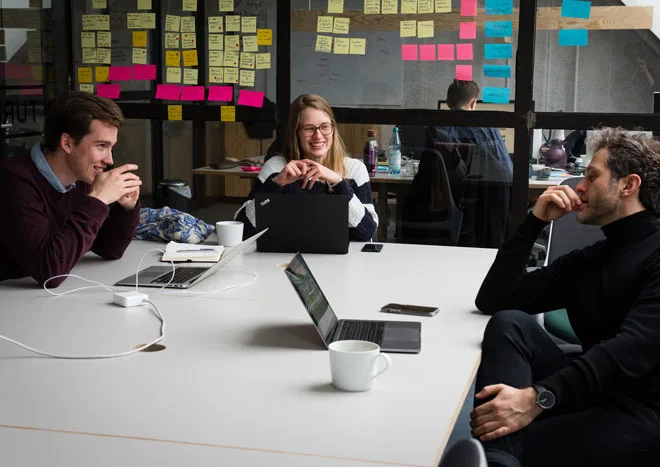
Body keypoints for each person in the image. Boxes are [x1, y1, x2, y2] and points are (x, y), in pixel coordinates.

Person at [471, 127, 660, 467]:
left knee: (522, 443)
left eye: (591, 176)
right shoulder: (593, 259)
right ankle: (499, 455)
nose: (579, 187)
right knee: (510, 323)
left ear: (629, 185)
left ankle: (499, 455)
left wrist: (537, 399)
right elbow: (495, 299)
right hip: (595, 392)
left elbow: (630, 351)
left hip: (645, 414)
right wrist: (534, 221)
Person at [0, 91, 142, 294]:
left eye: (111, 148)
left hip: (25, 299)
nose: (109, 160)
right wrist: (98, 200)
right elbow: (50, 272)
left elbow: (108, 249)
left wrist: (126, 208)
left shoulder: (79, 178)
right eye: (101, 146)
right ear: (67, 143)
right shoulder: (13, 182)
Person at [235, 94, 378, 241]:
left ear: (333, 129)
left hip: (342, 260)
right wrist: (275, 185)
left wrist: (338, 182)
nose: (318, 135)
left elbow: (367, 231)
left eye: (324, 127)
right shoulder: (276, 167)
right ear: (296, 132)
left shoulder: (354, 169)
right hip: (283, 258)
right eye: (309, 129)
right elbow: (242, 230)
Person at [402, 80, 513, 248]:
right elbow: (507, 172)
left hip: (440, 209)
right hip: (481, 215)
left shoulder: (436, 129)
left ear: (447, 102)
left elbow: (425, 176)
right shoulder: (487, 127)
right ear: (474, 102)